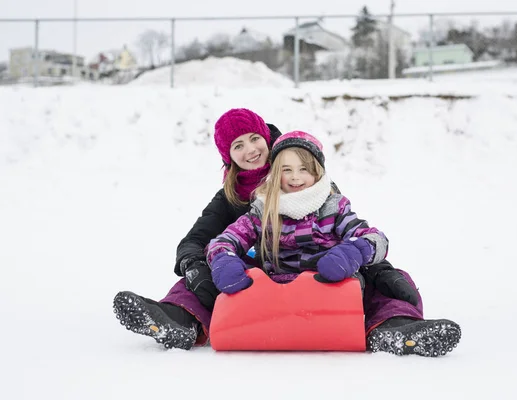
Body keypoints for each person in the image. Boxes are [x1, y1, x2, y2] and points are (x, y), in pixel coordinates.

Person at [113, 108, 459, 357]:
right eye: (237, 146)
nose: (250, 149)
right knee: (196, 276)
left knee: (385, 283)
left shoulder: (327, 198)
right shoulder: (254, 206)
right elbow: (211, 239)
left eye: (254, 138)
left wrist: (363, 259)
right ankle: (179, 318)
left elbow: (362, 232)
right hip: (266, 274)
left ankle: (394, 328)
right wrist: (212, 263)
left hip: (329, 276)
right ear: (228, 157)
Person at [206, 131, 461, 357]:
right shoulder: (264, 209)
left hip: (330, 287)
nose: (295, 177)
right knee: (225, 274)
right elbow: (225, 239)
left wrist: (352, 252)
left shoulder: (333, 206)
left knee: (384, 284)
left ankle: (393, 328)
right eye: (287, 170)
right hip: (278, 289)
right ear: (276, 173)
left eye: (303, 169)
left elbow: (374, 238)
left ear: (317, 171)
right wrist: (223, 258)